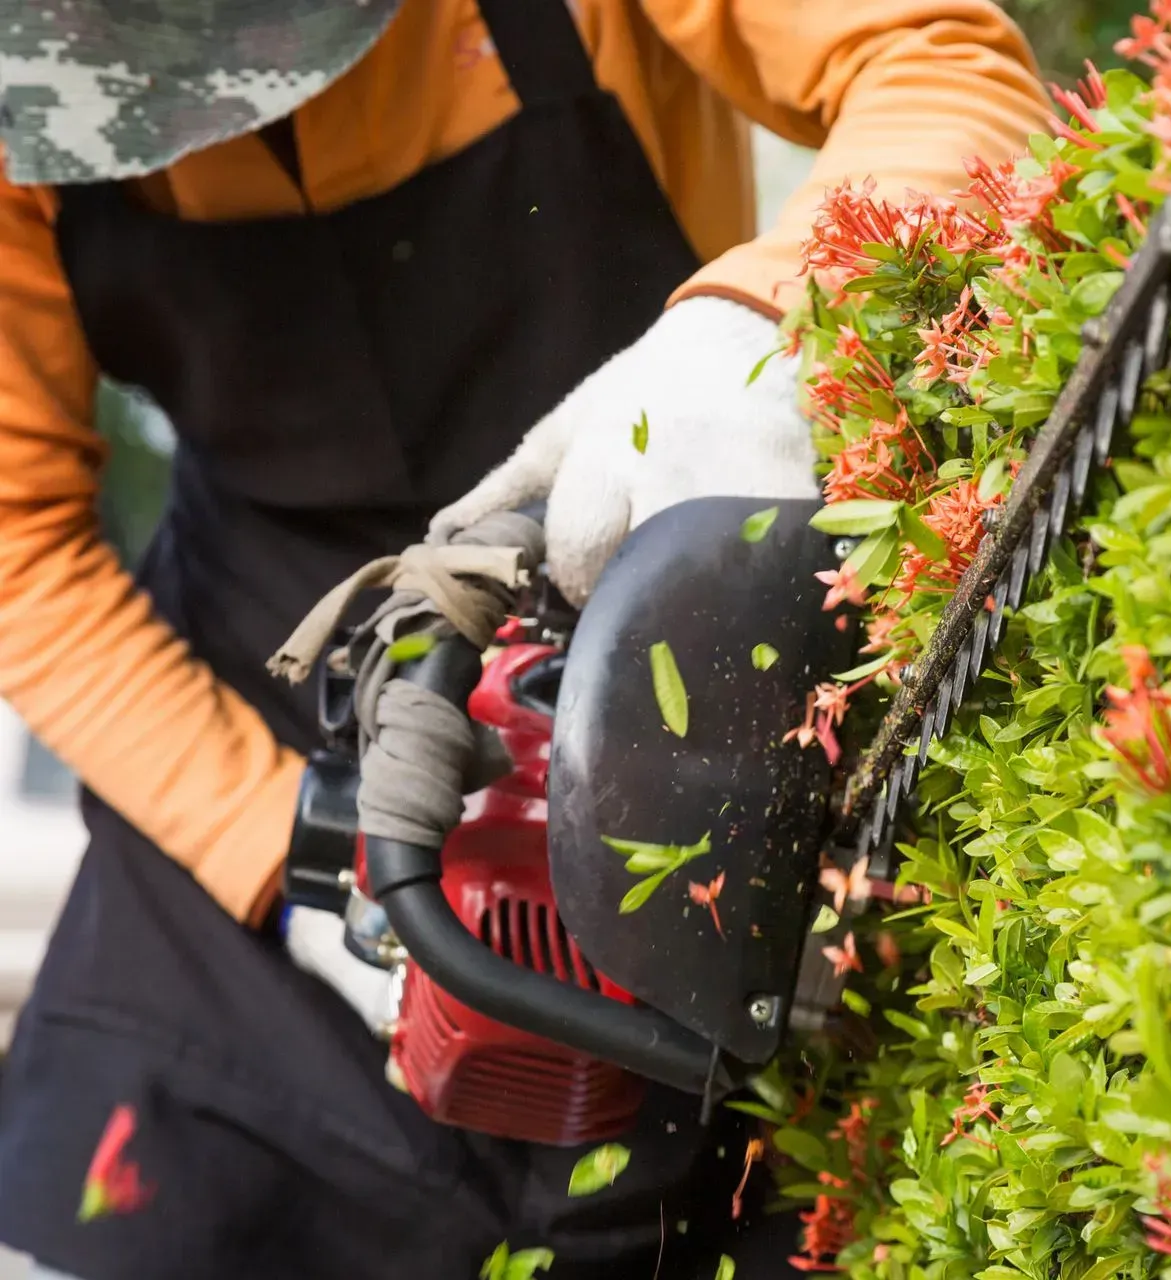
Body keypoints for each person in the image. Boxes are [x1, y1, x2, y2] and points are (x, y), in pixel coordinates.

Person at [0, 1, 1049, 1276]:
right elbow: (20, 543)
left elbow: (946, 64)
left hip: (657, 675)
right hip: (252, 736)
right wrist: (288, 859)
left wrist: (770, 325)